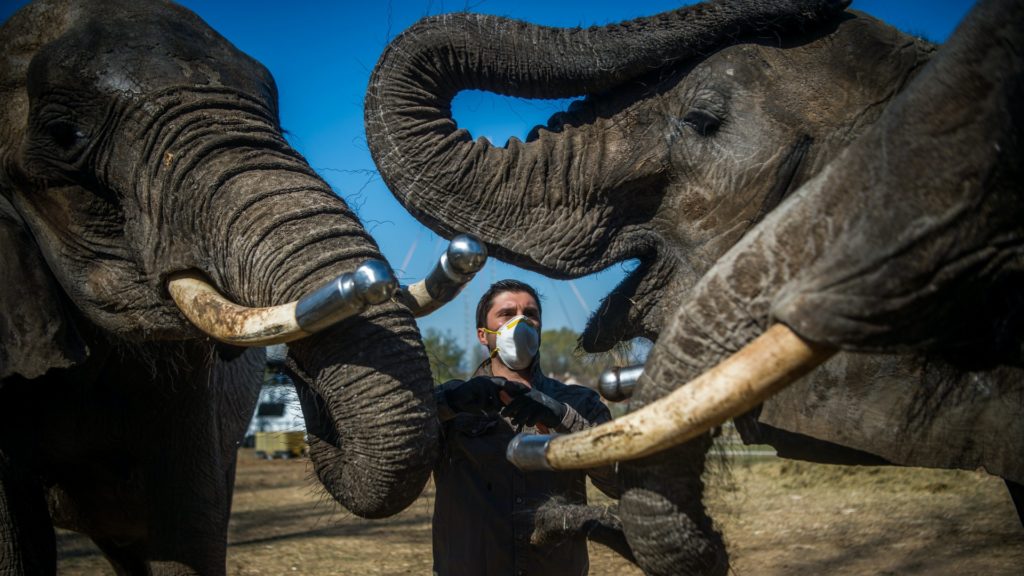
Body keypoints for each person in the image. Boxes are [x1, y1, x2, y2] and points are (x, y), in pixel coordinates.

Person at [432, 279, 617, 576]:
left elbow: (618, 480)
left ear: (540, 328)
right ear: (483, 334)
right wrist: (450, 403)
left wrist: (562, 417)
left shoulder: (579, 403)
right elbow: (399, 446)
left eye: (530, 314)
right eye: (506, 314)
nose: (520, 322)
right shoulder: (452, 403)